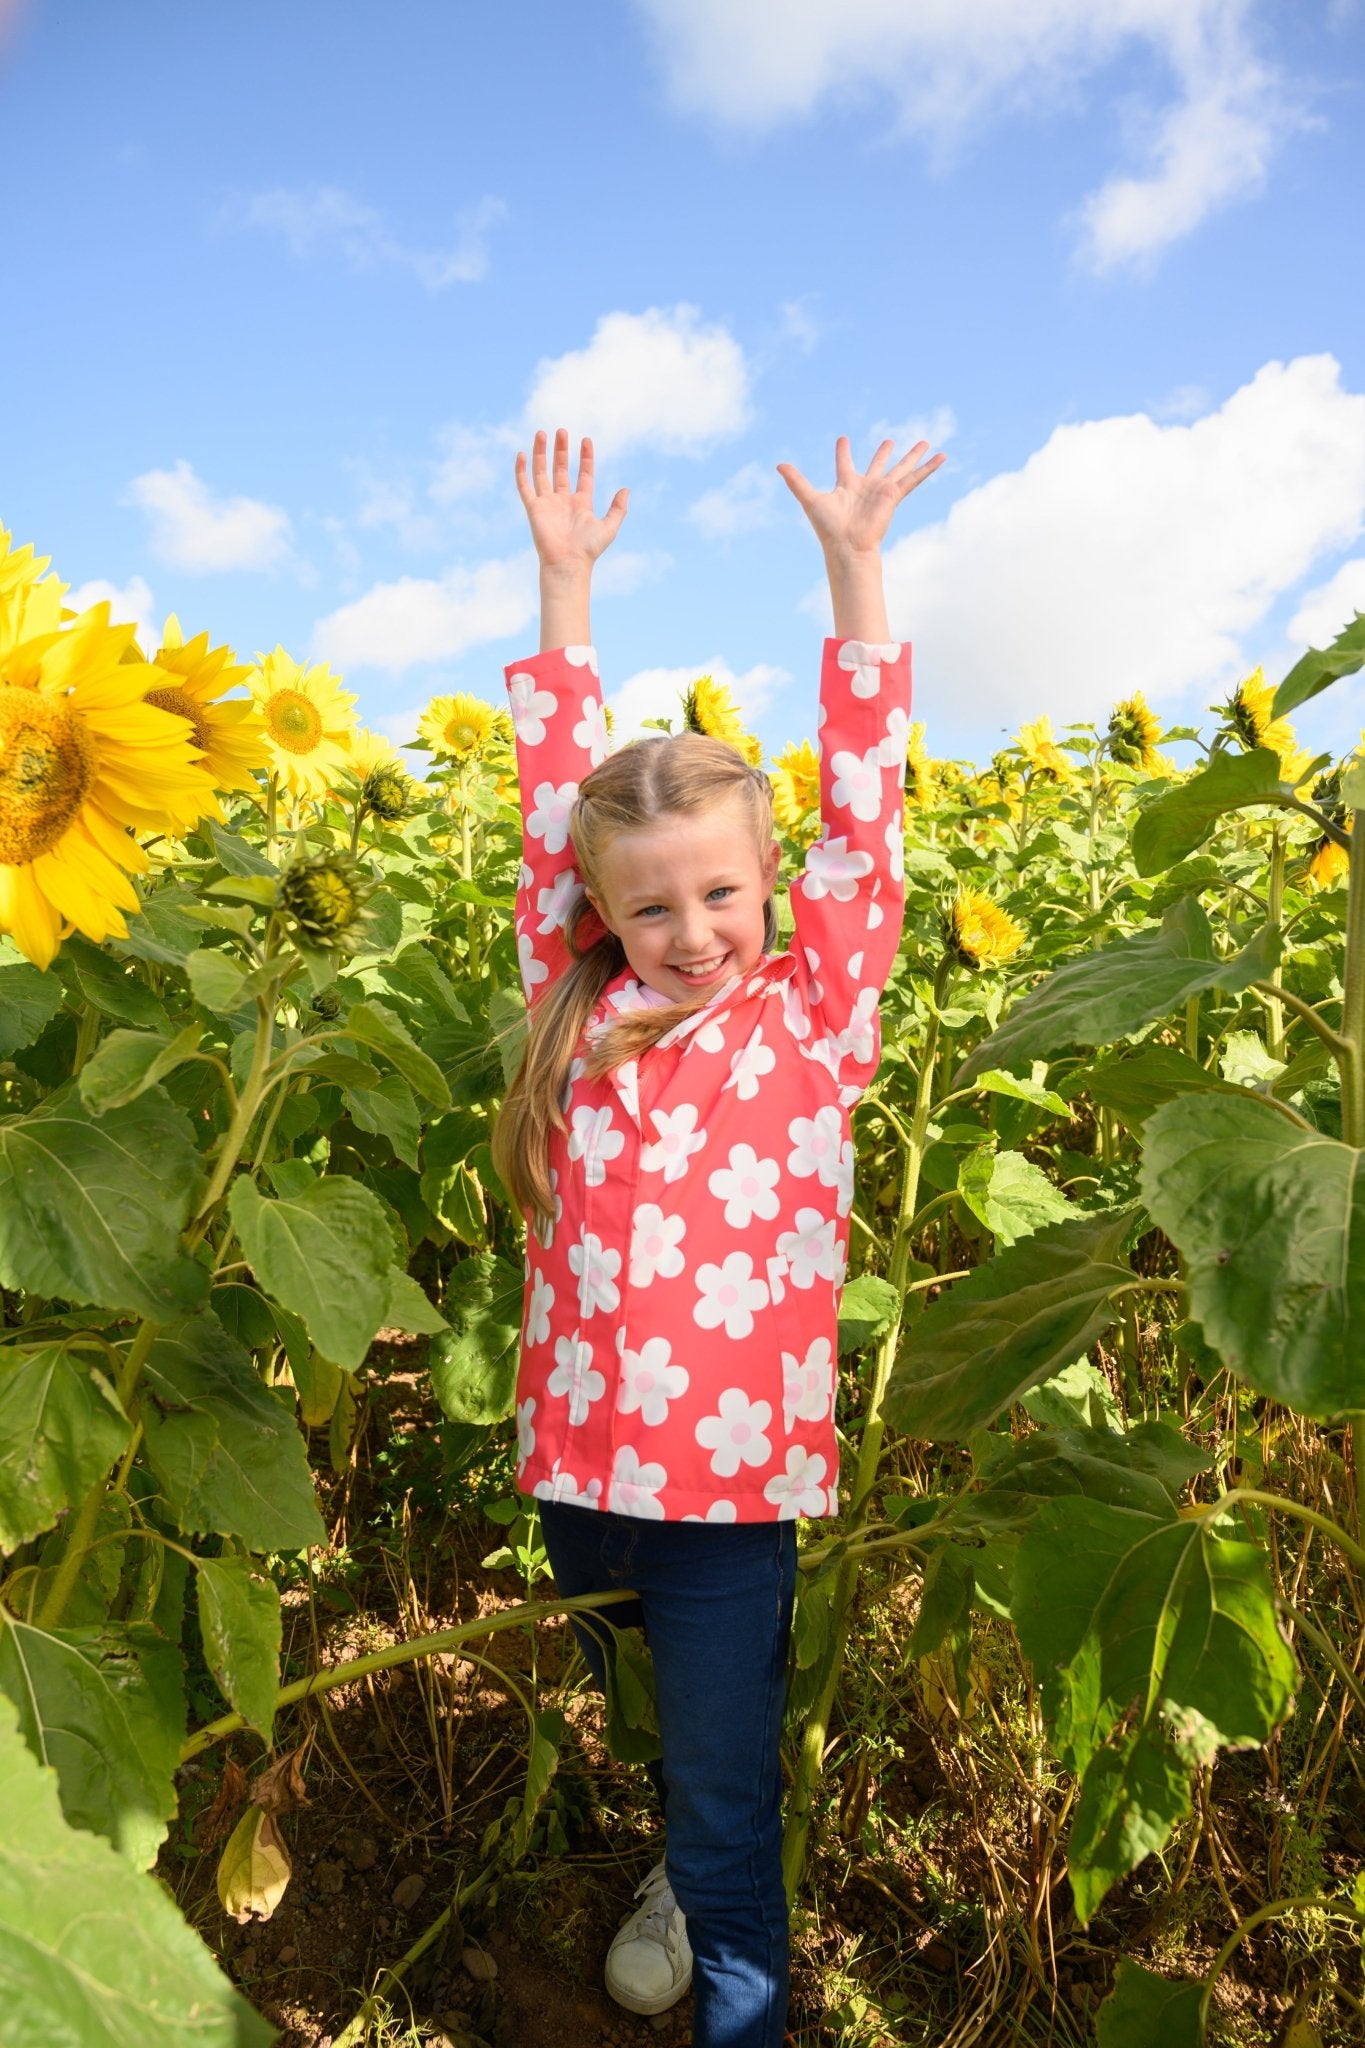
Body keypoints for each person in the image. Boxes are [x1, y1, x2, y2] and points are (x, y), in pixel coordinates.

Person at [491, 425, 943, 2047]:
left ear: (775, 891)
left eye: (722, 897)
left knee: (725, 1787)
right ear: (601, 915)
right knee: (640, 1711)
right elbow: (562, 805)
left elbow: (868, 812)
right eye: (652, 906)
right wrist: (564, 585)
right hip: (575, 1470)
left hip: (725, 1494)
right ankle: (679, 1850)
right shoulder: (583, 1011)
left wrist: (854, 567)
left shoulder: (816, 1016)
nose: (690, 935)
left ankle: (727, 1948)